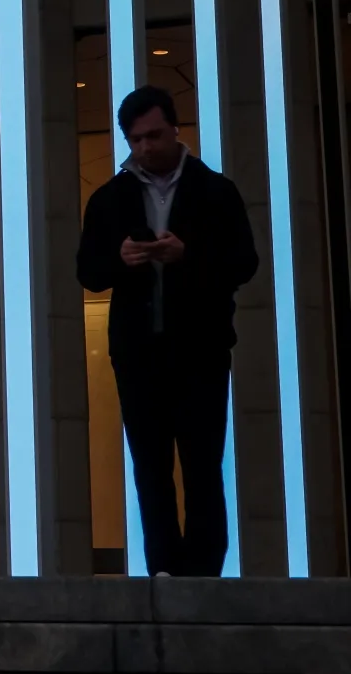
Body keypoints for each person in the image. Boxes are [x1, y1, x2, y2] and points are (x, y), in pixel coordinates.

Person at [78, 85, 258, 577]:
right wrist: (120, 259)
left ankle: (203, 575)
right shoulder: (110, 198)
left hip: (200, 349)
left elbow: (245, 262)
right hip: (138, 354)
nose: (144, 148)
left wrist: (188, 255)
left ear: (176, 130)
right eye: (135, 140)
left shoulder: (215, 191)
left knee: (203, 466)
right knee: (150, 469)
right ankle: (162, 571)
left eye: (153, 136)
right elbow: (88, 272)